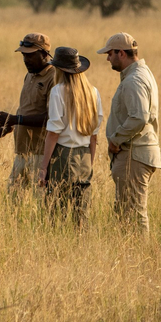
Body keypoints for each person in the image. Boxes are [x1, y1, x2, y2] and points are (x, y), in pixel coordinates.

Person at [99, 32, 160, 234]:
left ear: (121, 53)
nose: (108, 58)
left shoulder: (134, 80)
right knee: (127, 212)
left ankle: (139, 259)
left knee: (133, 214)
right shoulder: (141, 73)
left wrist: (116, 139)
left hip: (133, 153)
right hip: (137, 153)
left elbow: (139, 117)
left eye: (110, 54)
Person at [38, 46, 102, 225]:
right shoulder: (93, 92)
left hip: (62, 157)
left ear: (58, 69)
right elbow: (94, 136)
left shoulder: (58, 91)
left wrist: (43, 168)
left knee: (56, 213)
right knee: (81, 215)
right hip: (85, 157)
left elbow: (53, 133)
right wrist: (90, 163)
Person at [0, 33, 53, 194]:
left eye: (30, 55)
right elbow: (26, 109)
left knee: (41, 202)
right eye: (24, 55)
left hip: (41, 153)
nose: (26, 60)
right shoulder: (30, 75)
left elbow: (52, 118)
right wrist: (9, 126)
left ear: (44, 54)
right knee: (13, 201)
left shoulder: (54, 77)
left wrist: (16, 119)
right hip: (21, 151)